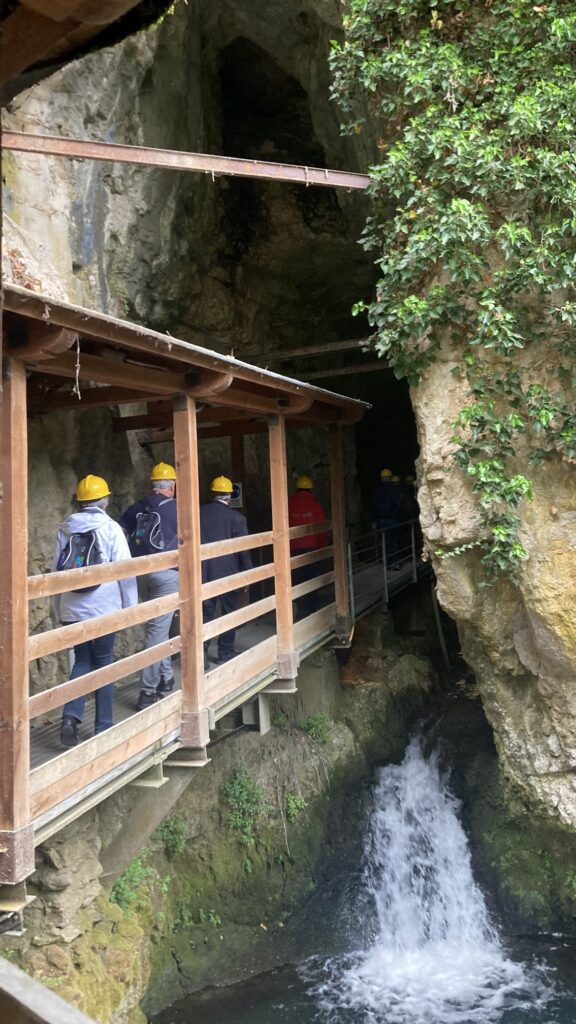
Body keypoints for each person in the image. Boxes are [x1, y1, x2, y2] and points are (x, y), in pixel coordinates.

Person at [55, 474, 137, 748]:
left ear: (79, 502)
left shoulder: (65, 529)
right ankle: (103, 726)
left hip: (71, 607)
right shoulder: (110, 527)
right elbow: (125, 570)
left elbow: (57, 571)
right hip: (104, 609)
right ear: (104, 500)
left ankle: (70, 717)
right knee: (103, 664)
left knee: (81, 661)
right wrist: (130, 607)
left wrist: (58, 608)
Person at [119, 462, 180, 710]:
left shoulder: (137, 507)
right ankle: (147, 691)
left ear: (152, 485)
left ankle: (166, 676)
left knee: (157, 627)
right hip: (167, 576)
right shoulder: (178, 509)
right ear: (171, 486)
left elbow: (120, 531)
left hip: (141, 574)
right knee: (157, 631)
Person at [200, 476, 252, 667]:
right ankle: (225, 651)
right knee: (229, 613)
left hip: (204, 573)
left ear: (212, 494)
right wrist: (247, 573)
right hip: (229, 573)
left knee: (205, 615)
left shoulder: (199, 513)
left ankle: (202, 657)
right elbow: (243, 549)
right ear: (229, 495)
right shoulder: (237, 519)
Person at [288, 474, 328, 616]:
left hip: (293, 548)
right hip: (312, 547)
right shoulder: (315, 505)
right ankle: (312, 608)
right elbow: (322, 527)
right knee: (312, 578)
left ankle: (295, 605)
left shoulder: (289, 504)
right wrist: (323, 546)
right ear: (311, 489)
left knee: (295, 579)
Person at [371, 468, 403, 569]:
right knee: (394, 541)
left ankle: (385, 562)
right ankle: (394, 563)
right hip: (392, 520)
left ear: (381, 478)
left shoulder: (377, 491)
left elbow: (373, 506)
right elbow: (399, 505)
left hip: (381, 521)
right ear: (390, 478)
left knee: (384, 542)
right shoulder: (395, 490)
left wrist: (373, 520)